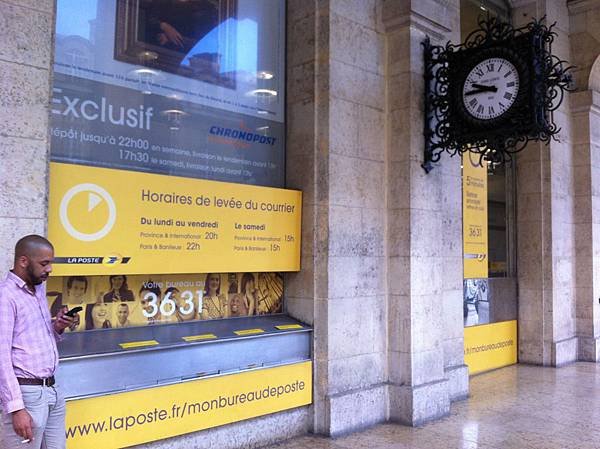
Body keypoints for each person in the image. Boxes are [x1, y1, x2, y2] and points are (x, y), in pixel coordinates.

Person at [0, 235, 78, 449]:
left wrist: (59, 326)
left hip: (52, 389)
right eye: (44, 263)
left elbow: (38, 337)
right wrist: (16, 408)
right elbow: (1, 357)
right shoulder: (5, 297)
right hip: (26, 395)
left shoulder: (38, 289)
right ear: (23, 261)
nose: (50, 269)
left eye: (50, 263)